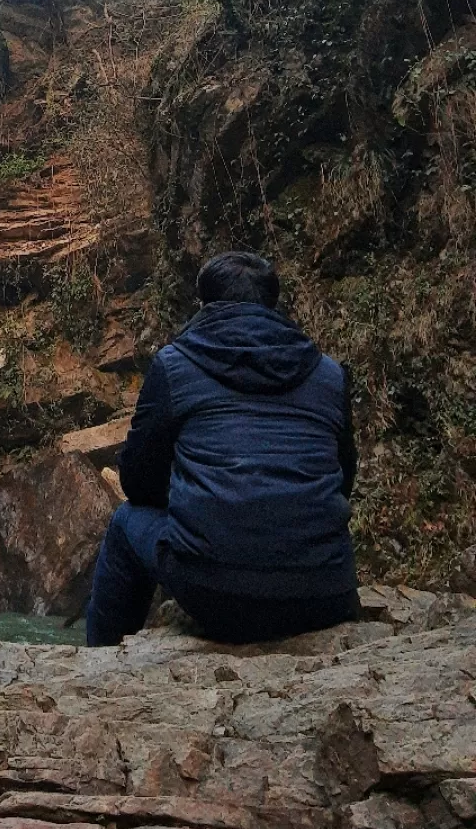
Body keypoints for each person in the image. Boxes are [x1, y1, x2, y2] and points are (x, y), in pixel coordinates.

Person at [86, 250, 358, 646]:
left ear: (204, 304)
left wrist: (195, 498)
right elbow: (343, 479)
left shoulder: (175, 366)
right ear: (273, 305)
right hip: (324, 594)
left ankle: (102, 664)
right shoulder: (329, 375)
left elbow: (139, 483)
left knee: (126, 521)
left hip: (217, 595)